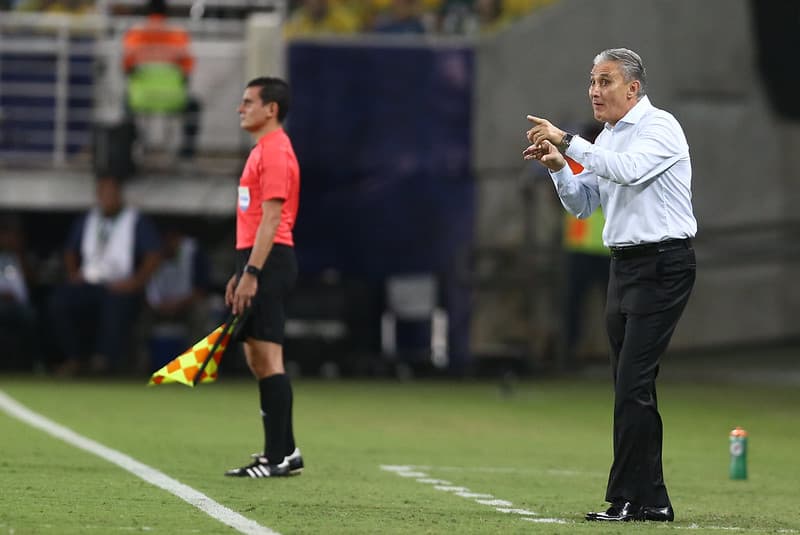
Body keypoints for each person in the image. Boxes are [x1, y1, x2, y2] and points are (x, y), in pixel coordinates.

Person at [523, 48, 696, 522]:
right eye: (592, 82)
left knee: (632, 383)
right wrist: (560, 167)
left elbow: (627, 170)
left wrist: (569, 139)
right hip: (625, 267)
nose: (594, 91)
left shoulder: (660, 127)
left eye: (605, 81)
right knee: (629, 384)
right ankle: (651, 500)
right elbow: (584, 205)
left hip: (663, 263)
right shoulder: (608, 136)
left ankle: (628, 498)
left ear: (633, 89)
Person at [224, 77, 303, 478]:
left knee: (268, 356)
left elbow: (272, 218)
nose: (241, 108)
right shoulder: (263, 150)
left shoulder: (275, 152)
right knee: (256, 355)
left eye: (248, 101)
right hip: (257, 260)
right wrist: (240, 271)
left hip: (269, 260)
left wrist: (252, 272)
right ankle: (284, 450)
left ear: (271, 108)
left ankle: (279, 457)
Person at [49, 175, 161, 375]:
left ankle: (104, 361)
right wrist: (74, 273)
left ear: (119, 195)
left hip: (120, 284)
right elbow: (70, 250)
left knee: (114, 306)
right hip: (89, 281)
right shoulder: (88, 219)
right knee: (60, 302)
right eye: (103, 193)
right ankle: (73, 358)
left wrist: (135, 282)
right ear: (98, 196)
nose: (108, 198)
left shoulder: (134, 219)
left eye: (112, 193)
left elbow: (153, 254)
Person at [122, 0, 200, 159]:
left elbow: (126, 67)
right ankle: (186, 156)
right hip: (174, 100)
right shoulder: (178, 36)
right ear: (167, 13)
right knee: (195, 106)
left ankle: (130, 150)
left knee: (124, 104)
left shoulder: (135, 35)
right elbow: (187, 70)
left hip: (140, 99)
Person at [142, 221, 211, 369]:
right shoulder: (153, 255)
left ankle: (195, 366)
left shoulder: (193, 251)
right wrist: (157, 305)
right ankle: (144, 364)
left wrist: (179, 304)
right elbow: (144, 284)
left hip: (187, 303)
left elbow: (201, 290)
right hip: (159, 306)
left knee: (201, 312)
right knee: (139, 317)